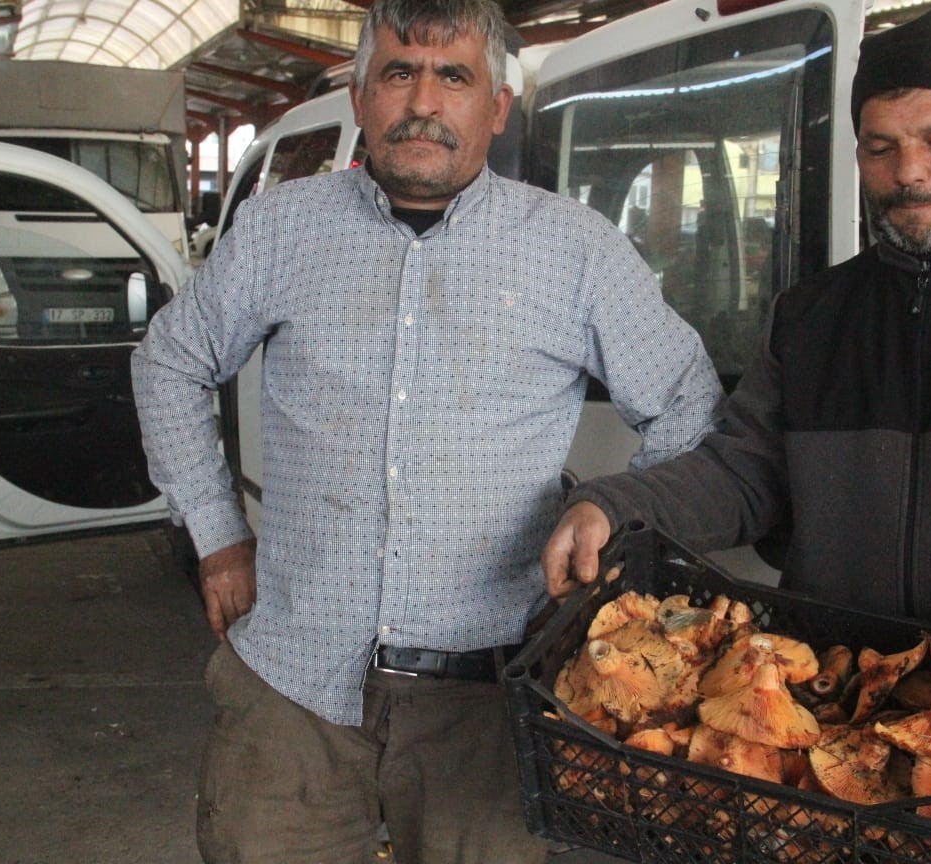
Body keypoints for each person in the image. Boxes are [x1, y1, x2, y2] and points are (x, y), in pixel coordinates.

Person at [542, 5, 931, 862]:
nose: (910, 173)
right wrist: (613, 506)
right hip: (829, 734)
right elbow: (742, 473)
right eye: (880, 147)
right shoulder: (815, 315)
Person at [130, 0, 723, 860]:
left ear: (496, 107)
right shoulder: (280, 231)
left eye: (454, 77)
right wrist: (219, 538)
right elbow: (170, 362)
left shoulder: (573, 251)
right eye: (398, 73)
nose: (423, 101)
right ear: (361, 98)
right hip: (291, 689)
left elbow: (686, 402)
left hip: (487, 703)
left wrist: (614, 534)